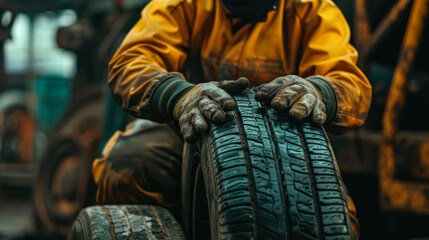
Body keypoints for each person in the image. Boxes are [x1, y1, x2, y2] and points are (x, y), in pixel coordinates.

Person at [92, 0, 371, 238]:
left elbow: (349, 82)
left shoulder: (313, 10)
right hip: (186, 134)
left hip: (284, 150)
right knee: (128, 163)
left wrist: (318, 91)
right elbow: (131, 62)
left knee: (335, 218)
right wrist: (180, 97)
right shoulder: (184, 5)